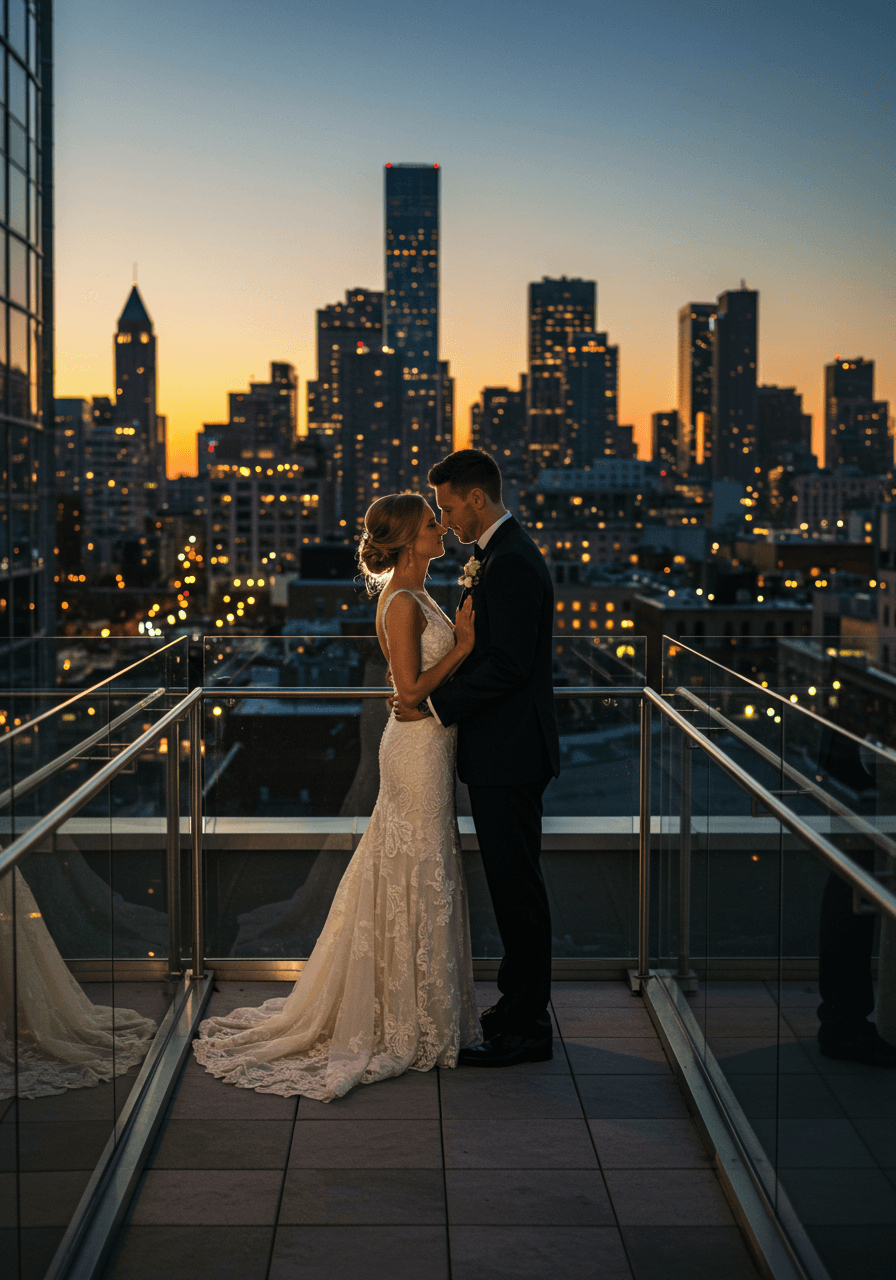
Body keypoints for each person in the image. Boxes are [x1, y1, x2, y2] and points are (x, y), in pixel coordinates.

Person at [193, 492, 482, 1101]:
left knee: (420, 869)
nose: (442, 530)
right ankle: (406, 1020)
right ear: (407, 540)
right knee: (416, 868)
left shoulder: (419, 593)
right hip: (417, 752)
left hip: (431, 749)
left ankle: (421, 1012)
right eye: (433, 525)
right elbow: (407, 694)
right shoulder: (401, 601)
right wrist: (461, 647)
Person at [393, 449, 560, 1067]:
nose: (444, 517)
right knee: (514, 887)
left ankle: (526, 1028)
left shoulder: (511, 561)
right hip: (505, 752)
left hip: (511, 754)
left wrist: (435, 709)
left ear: (476, 499)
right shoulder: (498, 555)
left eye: (446, 505)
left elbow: (510, 665)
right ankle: (515, 1010)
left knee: (518, 892)